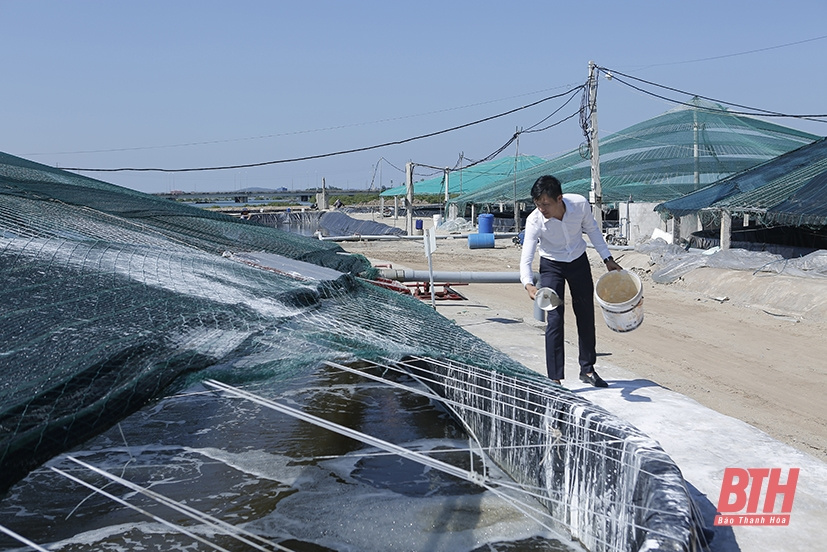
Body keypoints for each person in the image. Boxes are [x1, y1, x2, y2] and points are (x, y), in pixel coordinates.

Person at [519, 175, 623, 387]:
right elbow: (526, 257)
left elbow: (593, 230)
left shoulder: (579, 205)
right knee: (555, 319)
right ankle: (555, 378)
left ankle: (587, 369)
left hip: (578, 261)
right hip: (551, 266)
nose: (542, 209)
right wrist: (529, 284)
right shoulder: (534, 221)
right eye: (538, 205)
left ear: (559, 198)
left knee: (585, 314)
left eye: (546, 204)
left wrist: (608, 259)